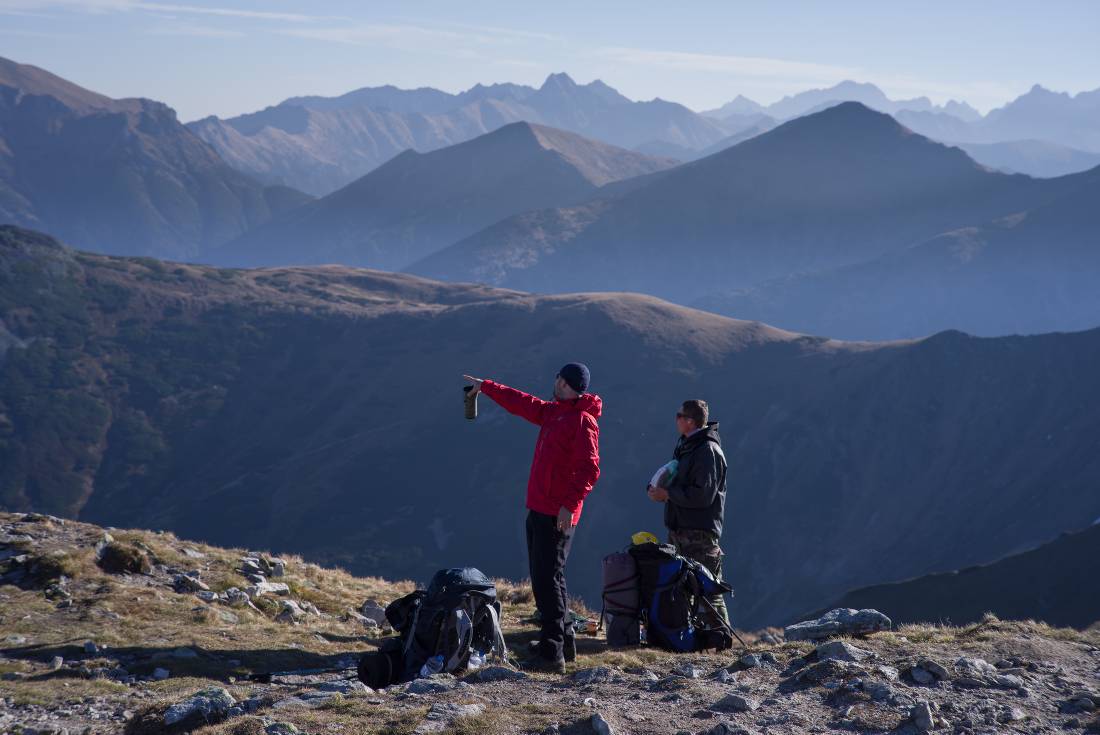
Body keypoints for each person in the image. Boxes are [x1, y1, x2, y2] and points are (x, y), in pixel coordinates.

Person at [463, 364, 601, 673]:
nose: (556, 383)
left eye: (561, 380)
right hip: (540, 508)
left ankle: (552, 656)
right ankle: (563, 642)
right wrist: (486, 386)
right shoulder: (555, 412)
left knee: (546, 580)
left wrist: (568, 505)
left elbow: (590, 470)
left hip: (557, 513)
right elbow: (522, 402)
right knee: (552, 577)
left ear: (569, 385)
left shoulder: (582, 421)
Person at [647, 399, 730, 628]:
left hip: (699, 535)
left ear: (690, 421)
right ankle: (690, 636)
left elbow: (703, 495)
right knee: (681, 587)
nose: (675, 419)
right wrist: (659, 489)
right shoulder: (688, 446)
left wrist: (668, 495)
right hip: (680, 529)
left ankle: (721, 639)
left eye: (679, 415)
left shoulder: (707, 451)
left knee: (708, 589)